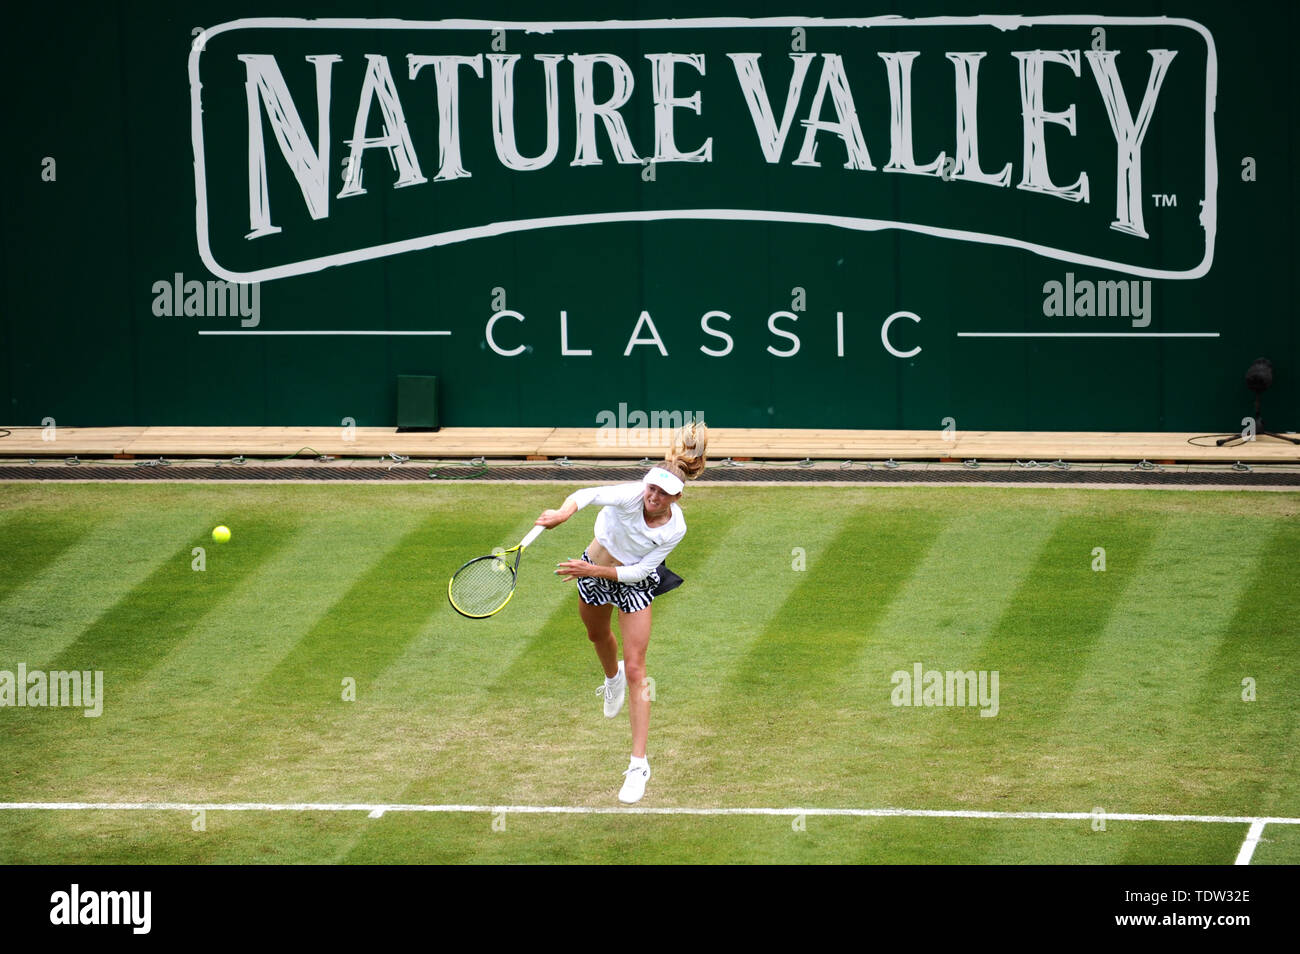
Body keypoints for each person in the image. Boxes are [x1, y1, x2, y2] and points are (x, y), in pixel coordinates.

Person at [533, 422, 708, 803]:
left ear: (676, 498)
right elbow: (587, 493)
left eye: (664, 493)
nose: (654, 497)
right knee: (597, 636)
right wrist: (564, 514)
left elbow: (643, 572)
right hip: (592, 570)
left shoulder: (674, 529)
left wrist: (593, 570)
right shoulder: (631, 495)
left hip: (630, 582)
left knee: (637, 668)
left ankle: (638, 765)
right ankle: (609, 678)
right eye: (651, 488)